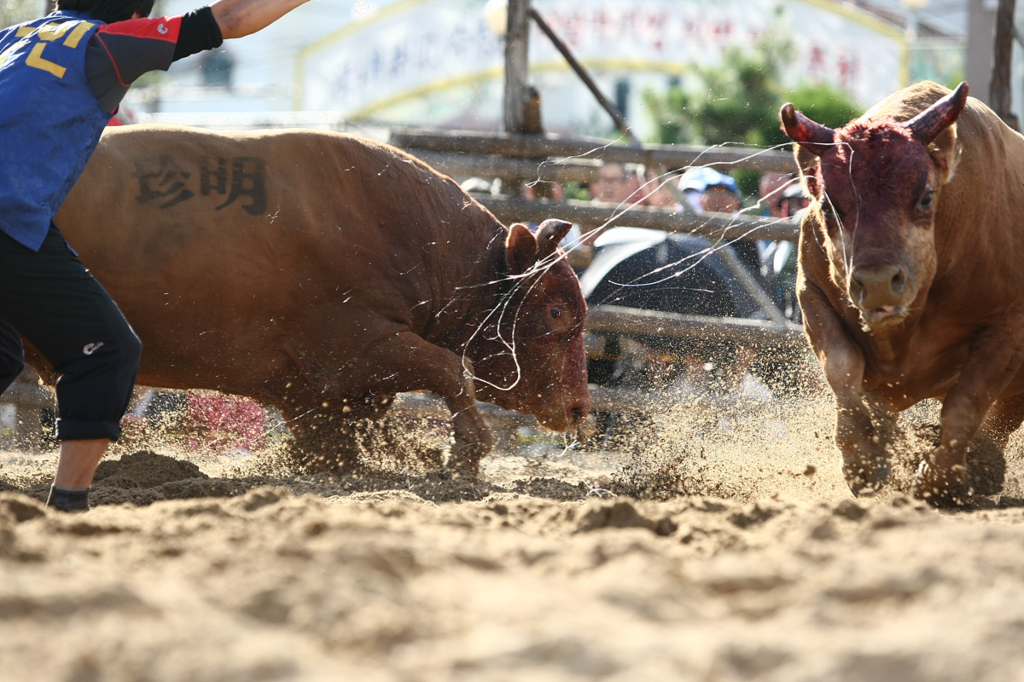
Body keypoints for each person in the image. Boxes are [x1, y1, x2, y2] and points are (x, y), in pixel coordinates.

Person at [0, 0, 310, 512]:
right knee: (108, 354)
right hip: (9, 215)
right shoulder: (104, 44)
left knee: (5, 352)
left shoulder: (15, 38)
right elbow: (230, 19)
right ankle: (68, 507)